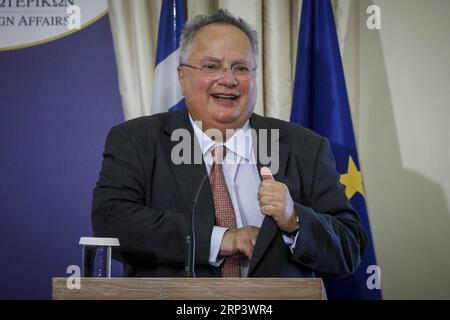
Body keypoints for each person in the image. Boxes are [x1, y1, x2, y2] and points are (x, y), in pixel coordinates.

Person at [92, 9, 368, 278]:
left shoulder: (304, 147)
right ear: (182, 76)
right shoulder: (138, 140)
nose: (228, 79)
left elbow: (350, 246)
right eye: (211, 66)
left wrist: (294, 218)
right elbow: (112, 223)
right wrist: (221, 239)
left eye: (241, 68)